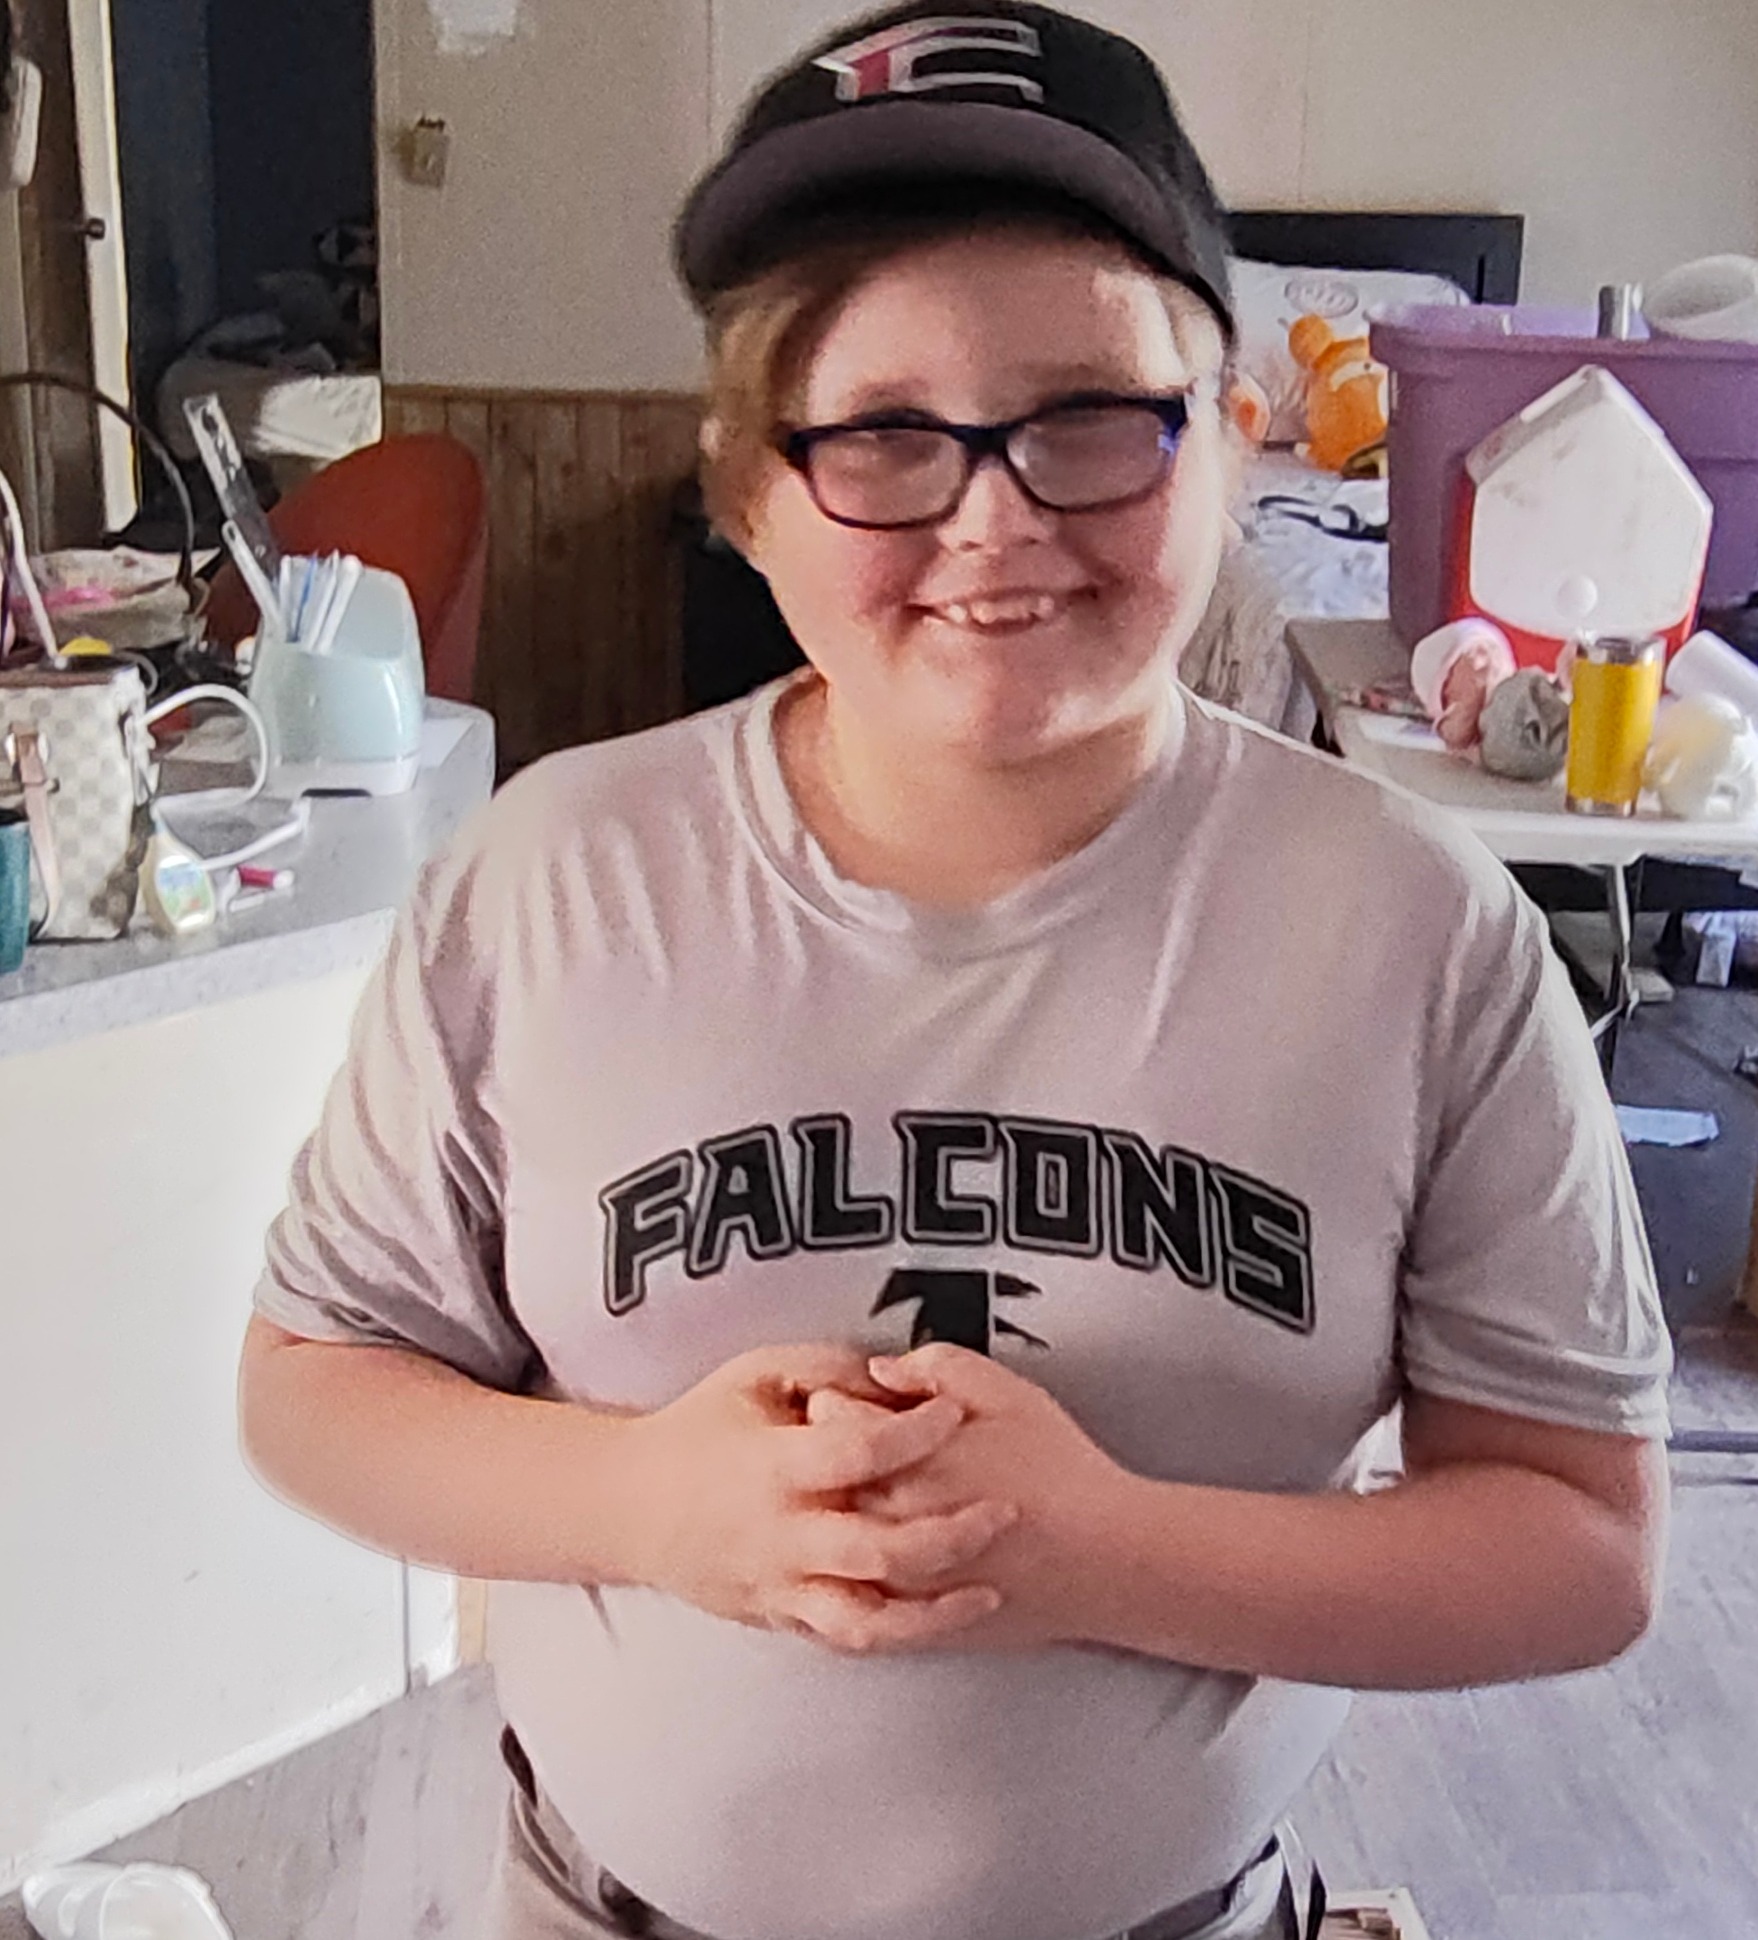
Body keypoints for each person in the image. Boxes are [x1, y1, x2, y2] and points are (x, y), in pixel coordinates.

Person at [237, 7, 1673, 1939]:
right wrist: (651, 1509)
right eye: (885, 437)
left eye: (1090, 414)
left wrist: (1099, 1551)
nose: (996, 517)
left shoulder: (1419, 934)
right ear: (751, 491)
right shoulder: (545, 884)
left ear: (1228, 437)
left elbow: (1579, 1544)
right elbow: (316, 1383)